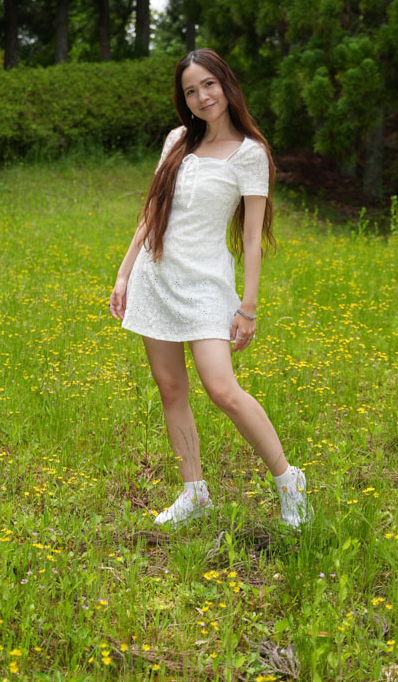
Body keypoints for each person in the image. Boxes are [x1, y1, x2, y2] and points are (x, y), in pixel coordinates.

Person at [109, 48, 312, 529]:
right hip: (156, 277)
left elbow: (252, 237)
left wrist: (248, 306)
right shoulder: (178, 140)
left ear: (226, 84)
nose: (201, 97)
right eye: (190, 91)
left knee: (221, 388)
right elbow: (152, 210)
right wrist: (123, 273)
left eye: (208, 85)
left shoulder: (250, 153)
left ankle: (289, 481)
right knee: (170, 388)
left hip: (205, 284)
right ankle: (194, 492)